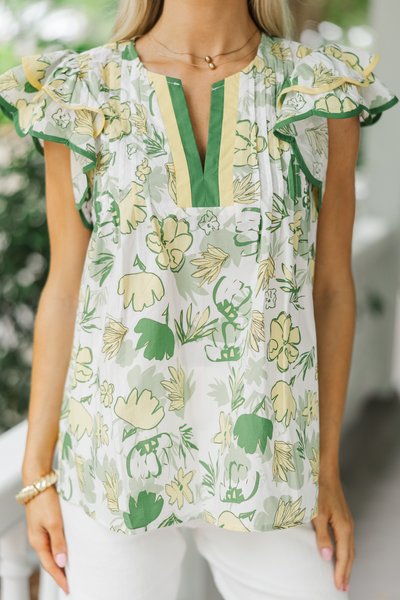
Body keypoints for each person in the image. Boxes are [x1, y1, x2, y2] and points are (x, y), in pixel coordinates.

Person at [1, 0, 398, 598]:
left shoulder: (318, 89)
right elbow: (64, 290)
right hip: (112, 461)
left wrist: (325, 469)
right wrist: (37, 475)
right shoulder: (83, 91)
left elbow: (332, 290)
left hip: (268, 460)